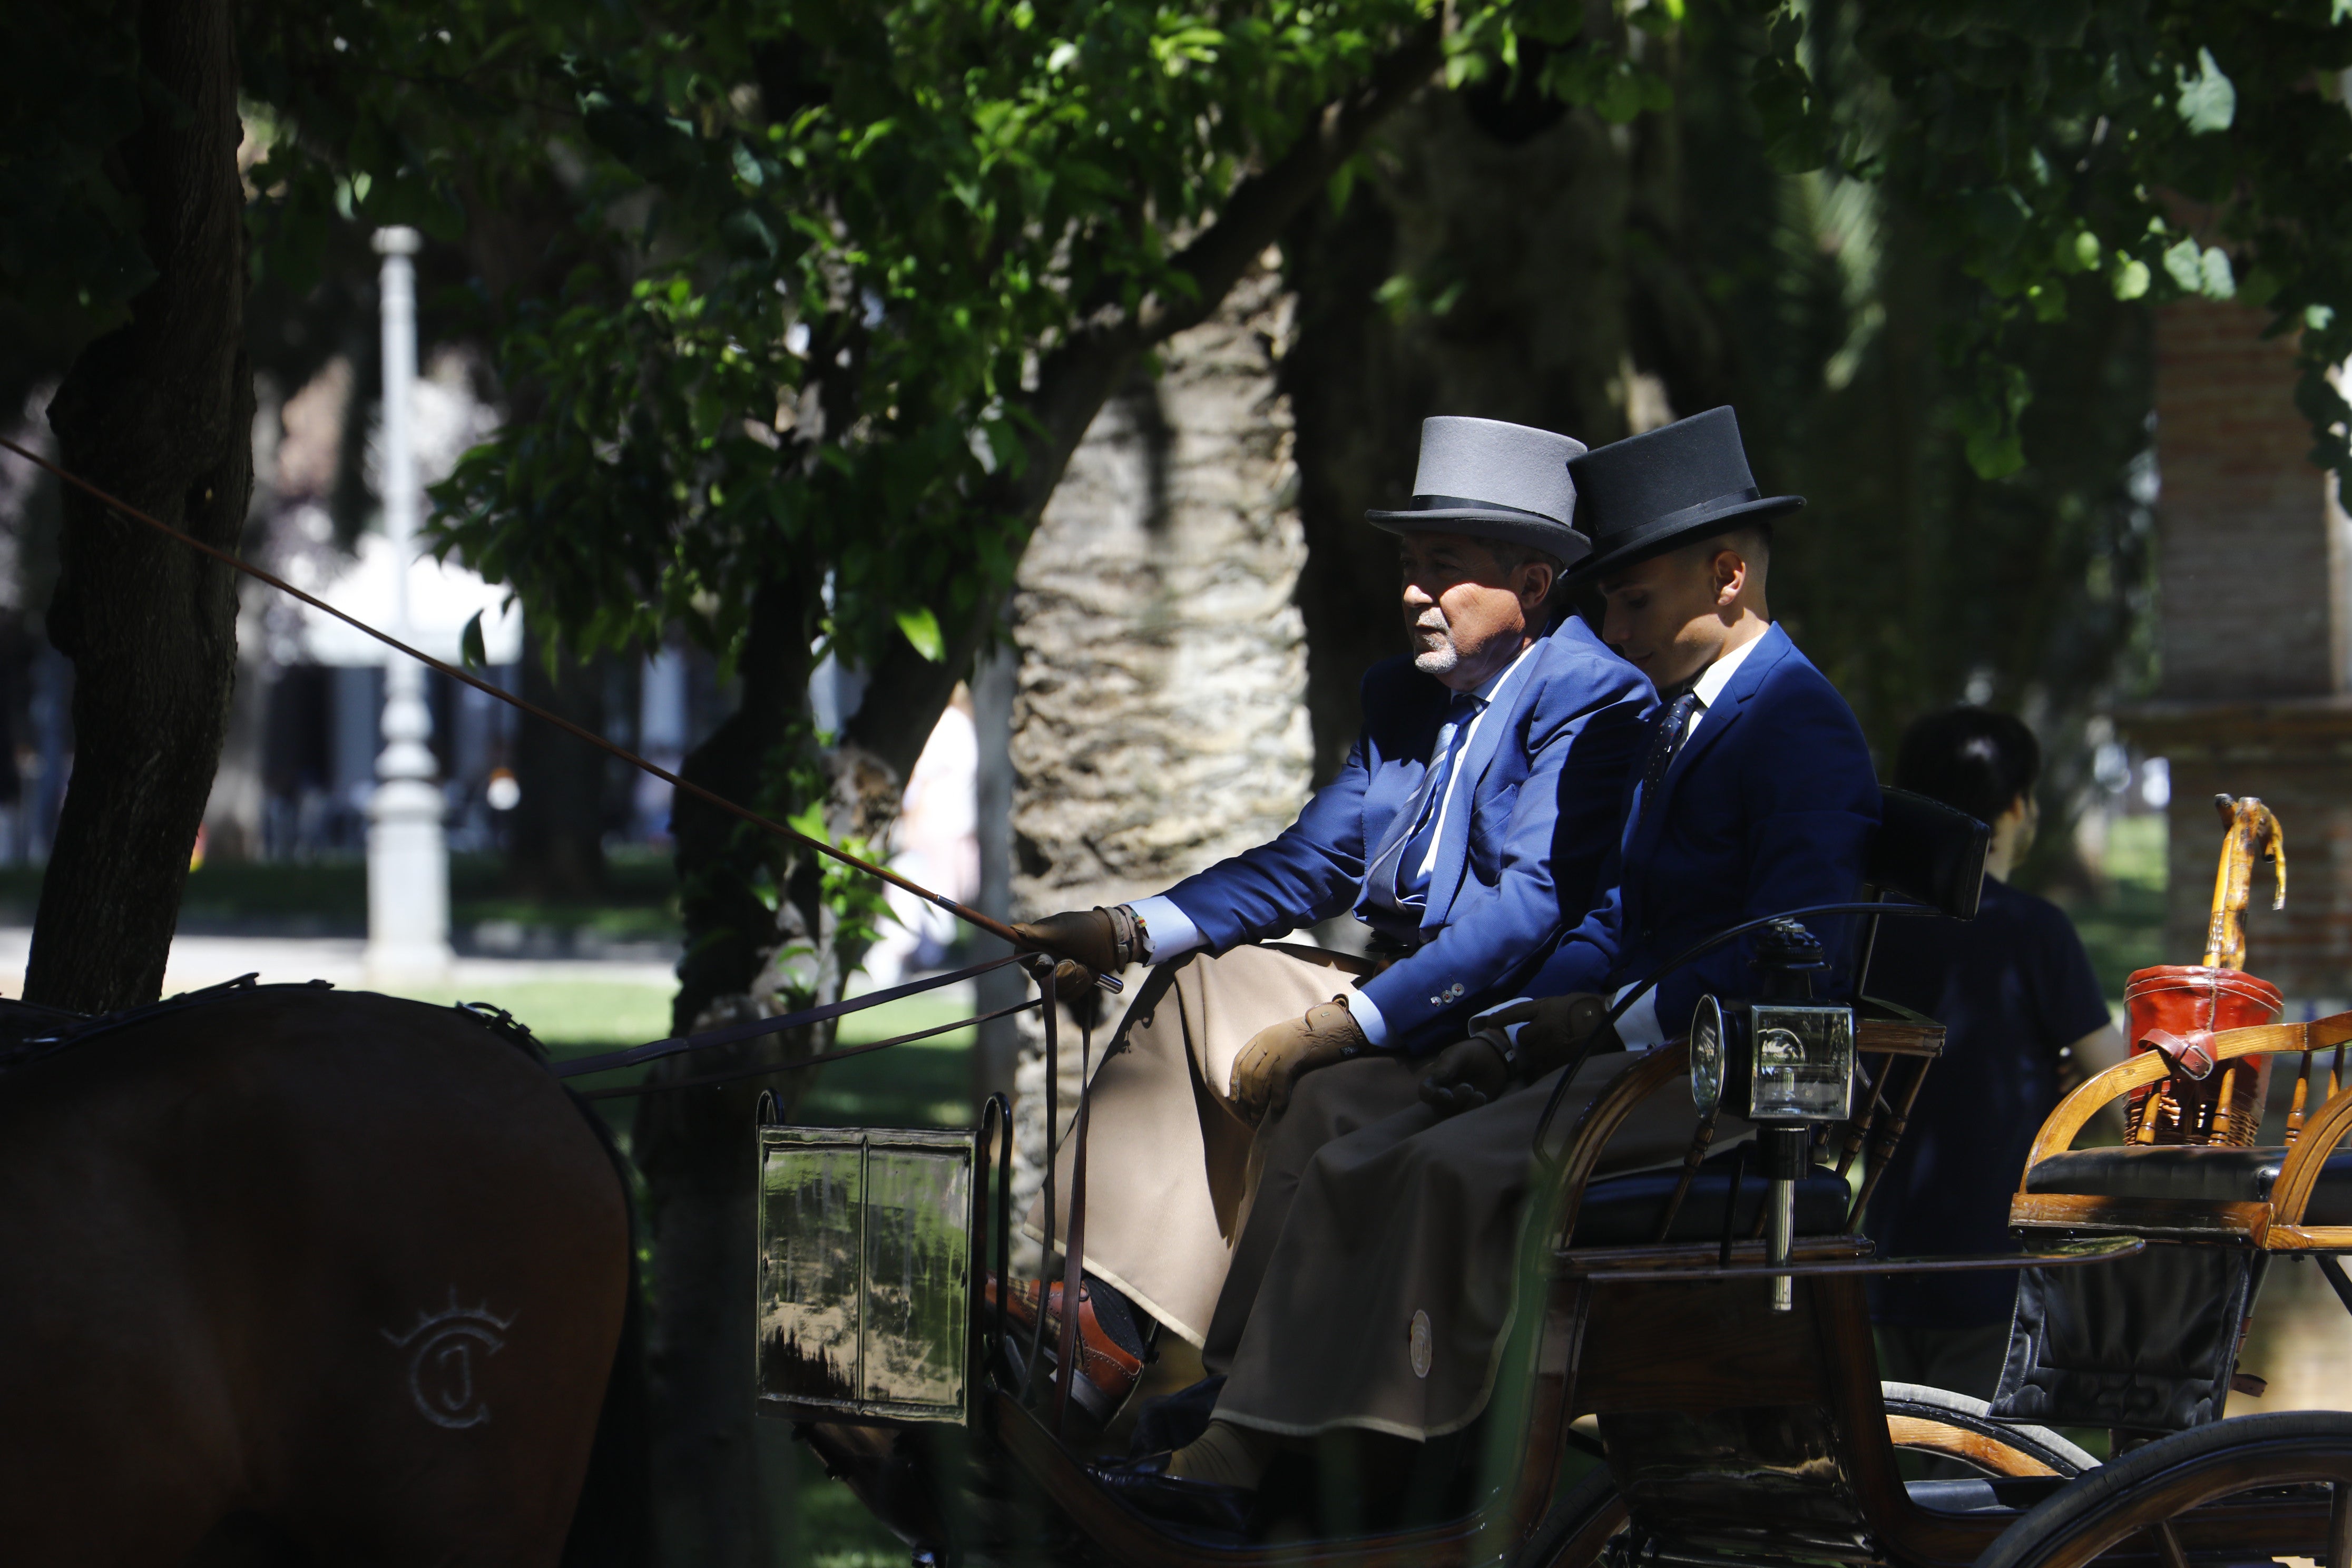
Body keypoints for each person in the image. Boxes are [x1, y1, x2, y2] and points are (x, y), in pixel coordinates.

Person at [1100, 406, 1883, 1533]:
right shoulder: (1692, 714)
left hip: (1725, 1091)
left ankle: (1349, 1457)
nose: (1609, 625)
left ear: (1726, 577)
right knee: (1363, 1141)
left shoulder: (1794, 723)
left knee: (1443, 1167)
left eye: (1632, 600)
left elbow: (1796, 956)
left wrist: (1594, 1032)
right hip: (1635, 1056)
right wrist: (1526, 1026)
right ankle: (1265, 1424)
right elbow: (1613, 913)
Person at [1001, 416, 1654, 1412]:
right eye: (1407, 565)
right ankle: (1095, 1327)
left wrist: (1346, 1024)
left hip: (1511, 1012)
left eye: (1444, 569)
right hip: (1408, 979)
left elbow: (1530, 909)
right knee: (1201, 986)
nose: (1412, 594)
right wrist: (1128, 929)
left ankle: (1234, 1394)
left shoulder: (1593, 696)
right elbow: (1310, 865)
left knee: (1323, 1094)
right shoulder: (1402, 697)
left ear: (1532, 586)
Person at [1863, 708, 2124, 1402]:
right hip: (1996, 1271)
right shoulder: (2034, 930)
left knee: (1904, 1487)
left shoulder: (1863, 932)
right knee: (1994, 1492)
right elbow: (2123, 1088)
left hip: (1883, 1266)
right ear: (2017, 806)